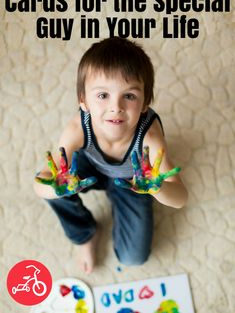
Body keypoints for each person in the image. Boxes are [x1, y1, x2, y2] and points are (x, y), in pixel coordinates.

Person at [34, 37, 188, 274]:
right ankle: (84, 234)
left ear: (145, 102)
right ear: (83, 101)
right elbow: (40, 182)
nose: (116, 107)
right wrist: (56, 189)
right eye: (103, 95)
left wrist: (157, 188)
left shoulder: (151, 141)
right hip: (89, 168)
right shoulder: (77, 128)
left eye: (129, 96)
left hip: (135, 181)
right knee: (53, 181)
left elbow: (180, 197)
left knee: (133, 258)